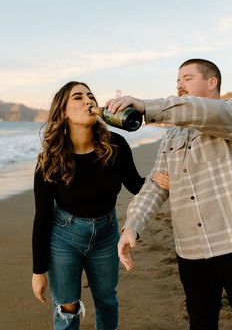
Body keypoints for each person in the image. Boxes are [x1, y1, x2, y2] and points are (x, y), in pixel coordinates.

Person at [105, 59, 232, 330]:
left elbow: (202, 113)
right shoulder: (172, 137)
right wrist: (132, 227)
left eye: (187, 78)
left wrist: (146, 106)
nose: (179, 84)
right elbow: (155, 185)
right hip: (191, 250)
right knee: (201, 321)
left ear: (212, 83)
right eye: (177, 80)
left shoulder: (229, 115)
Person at [31, 81, 145, 330]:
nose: (88, 101)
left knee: (106, 301)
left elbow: (138, 186)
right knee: (67, 306)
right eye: (78, 97)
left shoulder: (115, 145)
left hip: (106, 234)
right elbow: (42, 217)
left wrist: (166, 179)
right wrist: (38, 271)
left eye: (90, 96)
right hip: (64, 237)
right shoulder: (50, 159)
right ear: (63, 111)